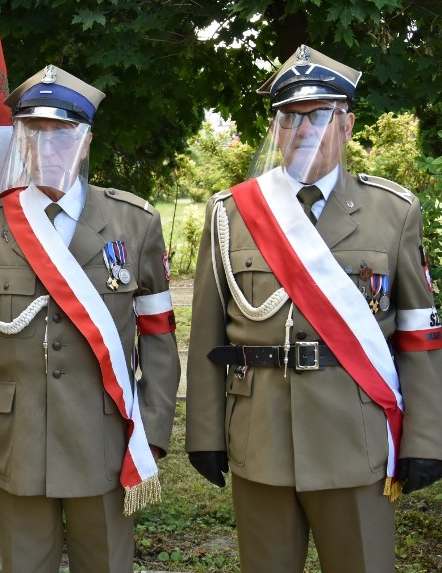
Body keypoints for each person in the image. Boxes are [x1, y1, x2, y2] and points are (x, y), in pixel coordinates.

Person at [185, 45, 442, 572]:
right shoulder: (231, 213)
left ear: (346, 126)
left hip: (356, 436)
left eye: (320, 116)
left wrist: (426, 437)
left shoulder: (393, 212)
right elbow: (207, 337)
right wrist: (205, 436)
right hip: (261, 435)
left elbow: (420, 336)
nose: (304, 130)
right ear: (276, 131)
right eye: (290, 119)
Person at [0, 65, 181, 572]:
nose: (48, 147)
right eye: (35, 134)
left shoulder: (134, 223)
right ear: (21, 142)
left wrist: (153, 431)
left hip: (105, 438)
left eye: (62, 134)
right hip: (18, 439)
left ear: (85, 142)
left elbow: (158, 335)